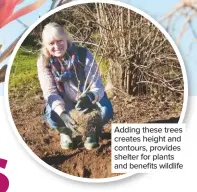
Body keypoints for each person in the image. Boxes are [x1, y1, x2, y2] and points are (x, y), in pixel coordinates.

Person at [37, 22, 113, 150]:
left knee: (106, 109)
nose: (57, 46)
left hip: (86, 101)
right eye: (51, 43)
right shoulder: (44, 62)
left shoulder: (83, 55)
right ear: (46, 46)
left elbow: (98, 85)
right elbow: (50, 92)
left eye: (60, 40)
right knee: (51, 114)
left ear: (66, 38)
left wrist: (89, 97)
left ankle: (91, 131)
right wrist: (62, 114)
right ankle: (65, 131)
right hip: (64, 102)